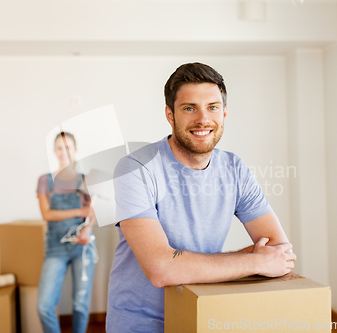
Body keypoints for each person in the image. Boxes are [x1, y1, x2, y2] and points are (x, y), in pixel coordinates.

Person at [106, 62, 296, 332]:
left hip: (203, 312)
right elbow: (161, 269)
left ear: (225, 112)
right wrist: (255, 259)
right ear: (170, 115)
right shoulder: (135, 168)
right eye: (189, 108)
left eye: (212, 107)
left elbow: (280, 251)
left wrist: (186, 263)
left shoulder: (235, 169)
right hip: (140, 322)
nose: (203, 119)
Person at [36, 131, 98, 333]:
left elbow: (94, 212)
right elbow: (47, 214)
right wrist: (81, 210)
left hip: (83, 246)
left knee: (81, 304)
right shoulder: (45, 181)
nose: (64, 152)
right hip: (56, 246)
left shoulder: (86, 179)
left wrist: (87, 229)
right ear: (54, 151)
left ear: (75, 150)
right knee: (44, 306)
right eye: (60, 148)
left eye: (68, 147)